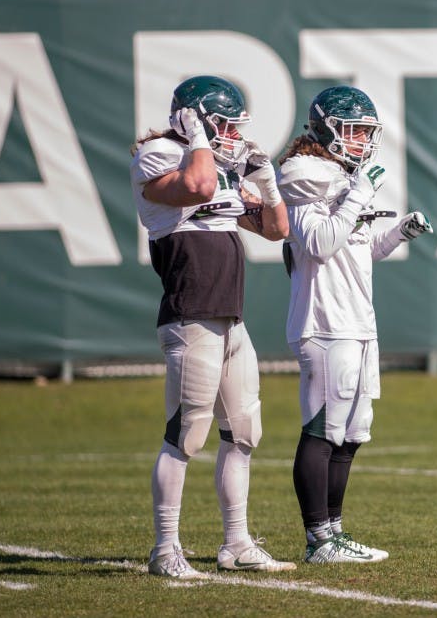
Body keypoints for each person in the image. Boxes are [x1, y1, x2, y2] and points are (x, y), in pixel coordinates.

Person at [130, 75, 295, 578]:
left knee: (244, 431)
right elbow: (197, 186)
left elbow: (276, 229)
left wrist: (267, 185)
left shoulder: (216, 164)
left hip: (229, 315)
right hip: (191, 313)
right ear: (196, 118)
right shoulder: (161, 154)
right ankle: (165, 549)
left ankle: (237, 542)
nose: (229, 133)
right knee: (187, 433)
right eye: (220, 123)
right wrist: (200, 140)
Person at [277, 85, 434, 563]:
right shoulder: (303, 173)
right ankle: (318, 540)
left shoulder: (345, 176)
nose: (363, 140)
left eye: (368, 131)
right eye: (354, 130)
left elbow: (358, 251)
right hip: (325, 322)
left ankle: (335, 533)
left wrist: (397, 234)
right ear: (326, 128)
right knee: (322, 429)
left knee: (351, 433)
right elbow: (319, 244)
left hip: (358, 321)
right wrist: (359, 194)